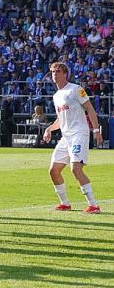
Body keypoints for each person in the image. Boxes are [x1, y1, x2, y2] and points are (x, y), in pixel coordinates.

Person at [43, 62, 103, 214]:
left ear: (65, 74)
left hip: (79, 134)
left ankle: (93, 205)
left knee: (75, 168)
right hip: (66, 136)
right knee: (53, 170)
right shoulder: (56, 96)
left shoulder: (76, 89)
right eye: (52, 72)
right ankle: (65, 203)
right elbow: (60, 119)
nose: (54, 74)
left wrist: (96, 130)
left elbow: (89, 109)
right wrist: (49, 129)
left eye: (57, 71)